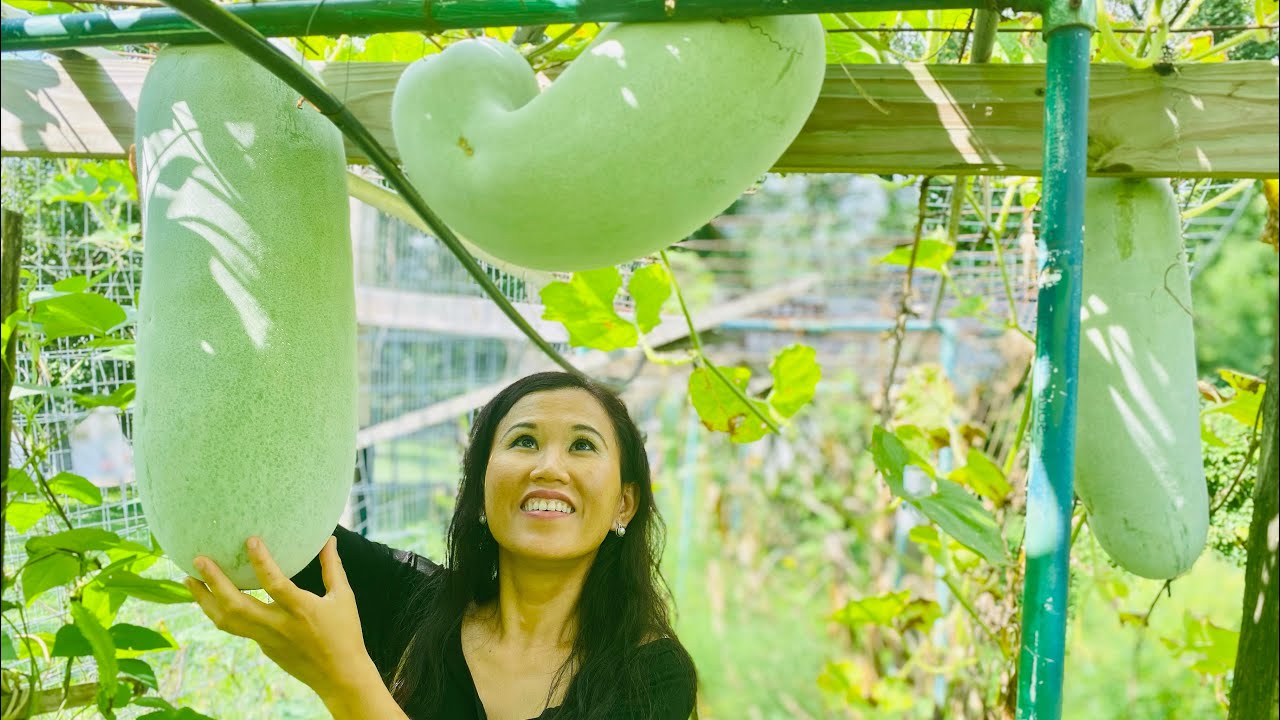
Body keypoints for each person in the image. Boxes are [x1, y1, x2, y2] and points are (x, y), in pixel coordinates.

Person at [182, 371, 699, 720]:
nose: (549, 467)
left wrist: (341, 680)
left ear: (624, 504)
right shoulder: (409, 602)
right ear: (480, 492)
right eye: (524, 441)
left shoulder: (653, 678)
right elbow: (254, 507)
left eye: (582, 445)